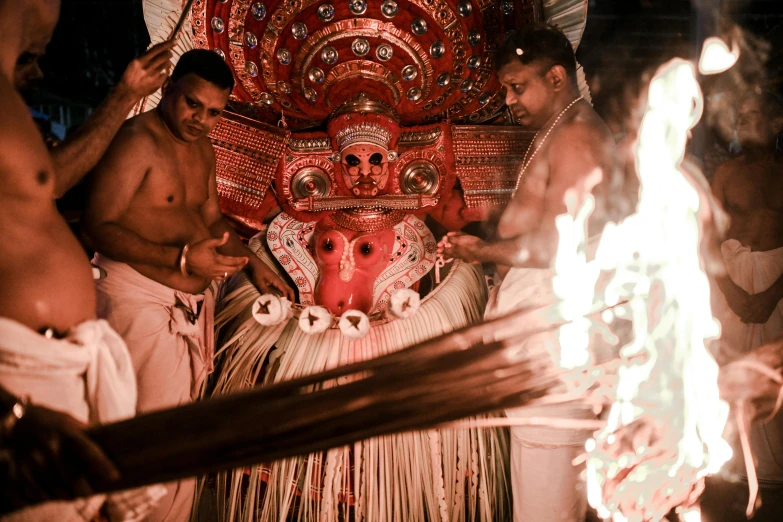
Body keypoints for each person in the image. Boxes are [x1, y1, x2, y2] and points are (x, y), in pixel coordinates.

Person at [81, 48, 294, 522]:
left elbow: (211, 217)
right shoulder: (137, 141)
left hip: (189, 307)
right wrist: (179, 258)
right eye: (192, 104)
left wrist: (252, 264)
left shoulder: (202, 149)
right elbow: (98, 225)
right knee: (147, 444)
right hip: (139, 303)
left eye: (213, 112)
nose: (200, 119)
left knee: (179, 443)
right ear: (168, 89)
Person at [438, 23, 617, 522]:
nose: (510, 100)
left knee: (548, 480)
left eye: (518, 87)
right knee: (541, 472)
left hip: (558, 339)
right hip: (545, 331)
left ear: (556, 77)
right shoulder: (561, 129)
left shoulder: (578, 136)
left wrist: (484, 251)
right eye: (505, 90)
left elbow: (562, 245)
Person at [0, 0, 169, 519]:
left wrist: (125, 94)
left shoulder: (7, 99)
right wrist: (9, 417)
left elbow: (47, 182)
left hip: (47, 379)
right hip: (20, 398)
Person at [707, 90, 783, 519]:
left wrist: (772, 294)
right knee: (730, 370)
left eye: (755, 115)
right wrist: (733, 292)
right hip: (732, 287)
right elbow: (707, 240)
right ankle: (728, 467)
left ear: (778, 125)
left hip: (777, 289)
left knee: (773, 375)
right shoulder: (724, 174)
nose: (744, 122)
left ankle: (771, 476)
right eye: (740, 116)